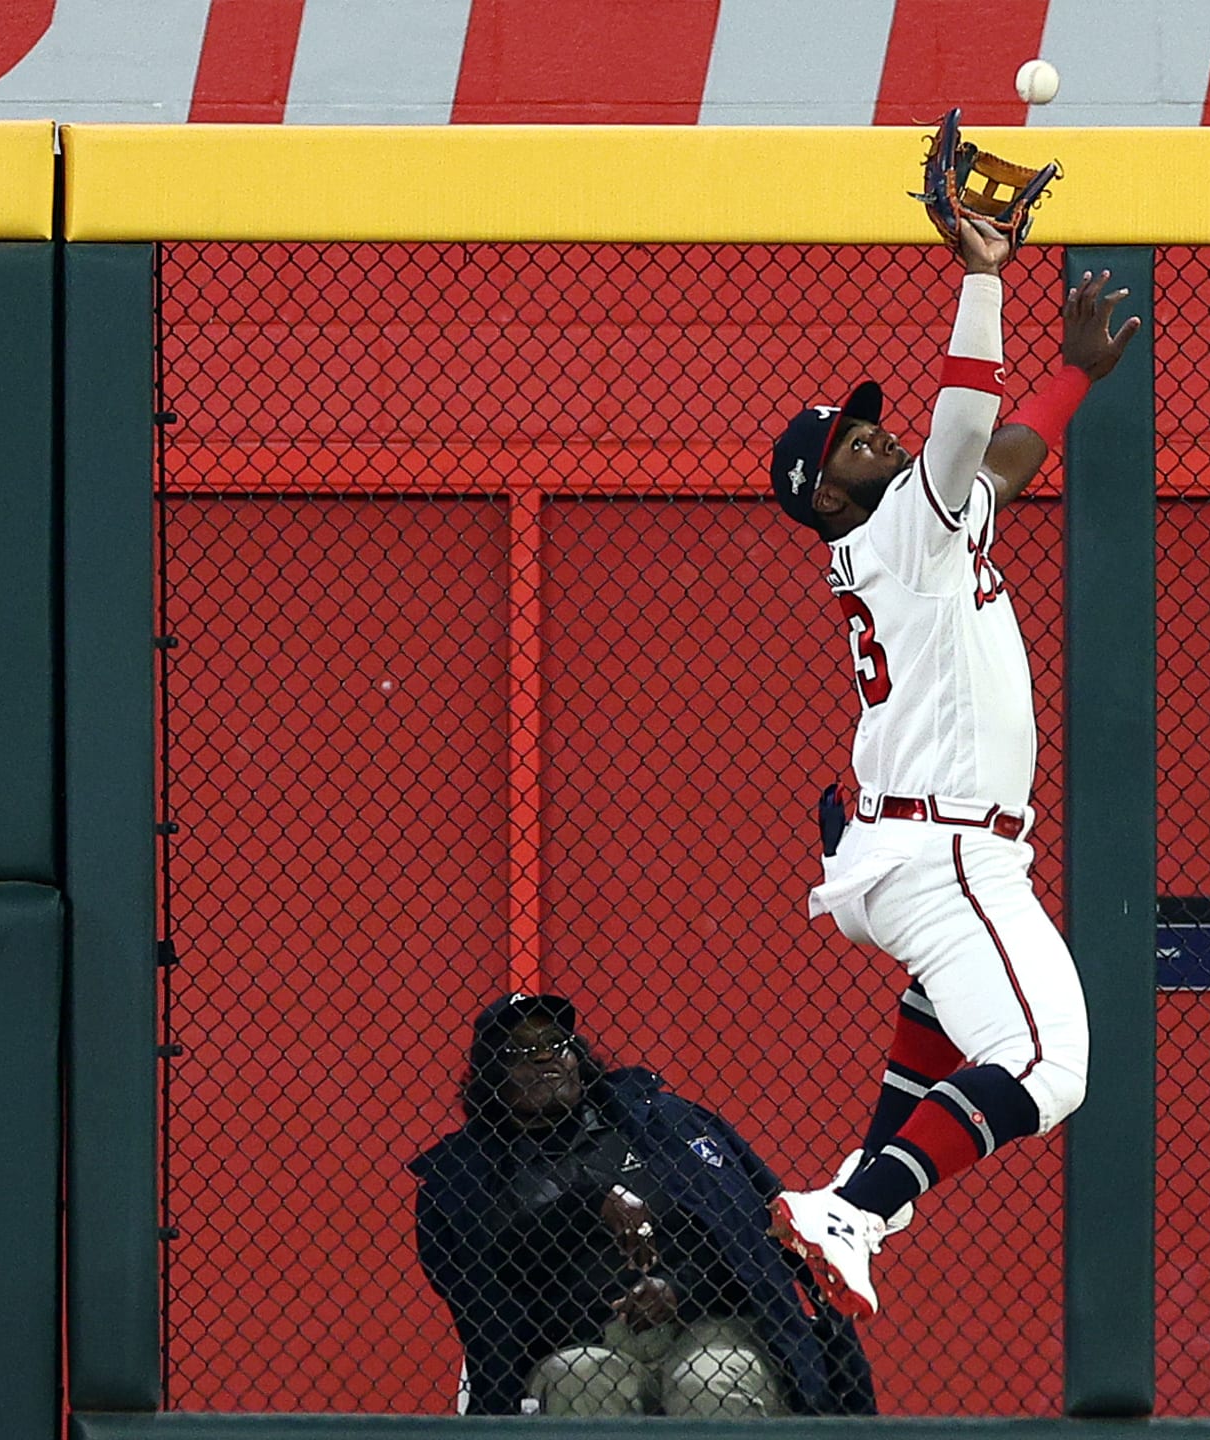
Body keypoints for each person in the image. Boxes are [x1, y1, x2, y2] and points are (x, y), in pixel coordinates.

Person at [763, 213, 1139, 1319]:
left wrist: (1071, 375)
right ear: (826, 496)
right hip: (946, 849)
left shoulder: (917, 528)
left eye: (872, 431)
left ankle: (860, 1176)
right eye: (852, 443)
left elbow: (1003, 462)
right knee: (1046, 1067)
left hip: (909, 842)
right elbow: (971, 422)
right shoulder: (895, 532)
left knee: (949, 1005)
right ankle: (862, 1205)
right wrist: (984, 280)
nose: (874, 438)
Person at [410, 993, 874, 1417]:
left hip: (708, 1321)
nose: (547, 1056)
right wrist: (587, 1203)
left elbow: (749, 1233)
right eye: (522, 1051)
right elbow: (489, 1264)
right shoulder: (472, 1174)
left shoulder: (661, 1125)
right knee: (581, 1381)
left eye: (558, 1042)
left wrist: (679, 1287)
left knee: (708, 1382)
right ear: (491, 1074)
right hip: (580, 1338)